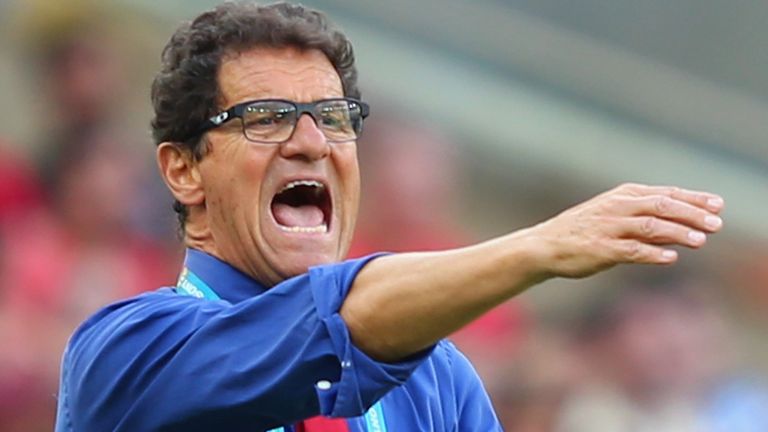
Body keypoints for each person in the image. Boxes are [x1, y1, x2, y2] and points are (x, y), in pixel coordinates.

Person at [54, 2, 725, 431]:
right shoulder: (127, 352)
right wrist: (536, 250)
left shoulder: (436, 378)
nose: (311, 141)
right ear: (183, 169)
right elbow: (333, 323)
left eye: (335, 118)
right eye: (266, 119)